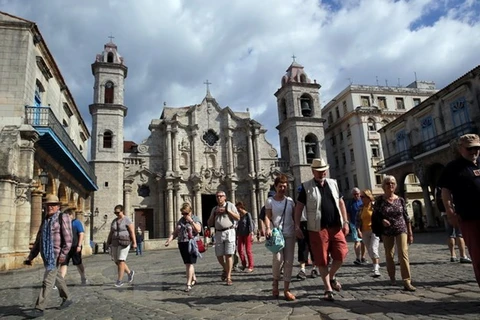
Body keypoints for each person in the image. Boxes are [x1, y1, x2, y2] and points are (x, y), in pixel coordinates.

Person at [294, 158, 349, 302]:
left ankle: (331, 276)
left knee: (341, 254)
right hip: (317, 229)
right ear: (313, 171)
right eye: (318, 171)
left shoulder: (334, 183)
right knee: (322, 260)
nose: (321, 173)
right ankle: (328, 289)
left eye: (323, 170)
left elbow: (341, 202)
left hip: (336, 227)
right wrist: (297, 226)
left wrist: (346, 222)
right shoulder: (306, 187)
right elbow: (299, 207)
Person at [438, 133, 480, 287]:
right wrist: (450, 212)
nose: (474, 151)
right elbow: (445, 191)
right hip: (470, 217)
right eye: (470, 149)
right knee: (477, 255)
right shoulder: (453, 167)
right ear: (461, 149)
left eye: (477, 148)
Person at [24, 194, 74, 318]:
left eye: (53, 205)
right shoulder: (45, 220)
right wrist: (31, 256)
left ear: (58, 206)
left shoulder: (63, 217)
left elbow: (68, 239)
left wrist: (63, 254)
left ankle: (39, 308)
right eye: (48, 205)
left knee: (47, 281)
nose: (50, 207)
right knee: (57, 277)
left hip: (55, 255)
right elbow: (38, 240)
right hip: (46, 255)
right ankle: (67, 298)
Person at [372, 175, 415, 291]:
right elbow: (375, 216)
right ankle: (392, 278)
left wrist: (410, 233)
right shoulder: (379, 200)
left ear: (395, 186)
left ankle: (407, 281)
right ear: (383, 186)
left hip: (401, 229)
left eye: (392, 183)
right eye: (387, 183)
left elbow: (406, 217)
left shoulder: (400, 200)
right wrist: (382, 221)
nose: (390, 185)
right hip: (387, 231)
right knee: (389, 255)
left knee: (403, 253)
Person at [265, 174, 296, 301]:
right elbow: (267, 216)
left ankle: (286, 289)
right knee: (278, 259)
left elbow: (294, 216)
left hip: (289, 234)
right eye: (280, 186)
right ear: (275, 187)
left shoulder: (290, 201)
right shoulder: (270, 201)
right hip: (277, 235)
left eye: (284, 186)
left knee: (288, 262)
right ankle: (275, 282)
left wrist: (298, 228)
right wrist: (267, 228)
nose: (282, 189)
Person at [165, 202, 202, 292]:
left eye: (186, 213)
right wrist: (169, 240)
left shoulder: (195, 219)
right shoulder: (180, 221)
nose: (184, 215)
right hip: (182, 243)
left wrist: (191, 221)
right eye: (183, 213)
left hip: (192, 243)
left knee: (189, 263)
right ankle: (194, 278)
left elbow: (198, 230)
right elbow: (175, 232)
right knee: (187, 263)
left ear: (190, 212)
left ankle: (188, 284)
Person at [207, 190, 240, 286]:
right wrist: (214, 215)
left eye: (221, 196)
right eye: (217, 196)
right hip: (218, 233)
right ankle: (226, 269)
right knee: (219, 255)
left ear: (225, 197)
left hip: (229, 232)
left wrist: (227, 211)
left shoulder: (230, 205)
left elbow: (238, 217)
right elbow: (209, 223)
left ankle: (229, 276)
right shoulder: (214, 209)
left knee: (229, 254)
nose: (219, 198)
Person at [435, 187, 471, 263]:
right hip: (455, 211)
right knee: (459, 233)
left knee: (450, 234)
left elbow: (437, 201)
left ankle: (453, 255)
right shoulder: (452, 183)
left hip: (444, 212)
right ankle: (463, 255)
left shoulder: (438, 187)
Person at [106, 204, 137, 287]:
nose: (116, 214)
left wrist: (134, 242)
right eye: (115, 212)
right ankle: (130, 273)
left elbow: (132, 232)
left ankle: (119, 281)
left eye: (118, 212)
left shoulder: (127, 220)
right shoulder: (114, 221)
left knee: (121, 260)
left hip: (124, 242)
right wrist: (108, 242)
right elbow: (111, 232)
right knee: (116, 261)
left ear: (122, 211)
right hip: (115, 242)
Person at [59, 207, 88, 285]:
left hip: (75, 246)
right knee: (64, 263)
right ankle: (61, 281)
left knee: (78, 263)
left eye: (67, 215)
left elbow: (81, 234)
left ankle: (83, 277)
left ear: (71, 215)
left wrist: (79, 245)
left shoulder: (76, 222)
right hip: (65, 247)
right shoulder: (63, 223)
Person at [356, 189, 381, 277]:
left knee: (373, 248)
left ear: (368, 197)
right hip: (364, 231)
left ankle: (376, 269)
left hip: (374, 230)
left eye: (363, 197)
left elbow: (380, 216)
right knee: (370, 250)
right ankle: (376, 263)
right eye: (361, 197)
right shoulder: (361, 207)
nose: (361, 198)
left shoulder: (374, 206)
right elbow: (358, 220)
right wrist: (358, 230)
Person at [296, 185, 317, 280]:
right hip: (302, 224)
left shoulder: (312, 201)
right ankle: (302, 269)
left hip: (312, 224)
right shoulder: (297, 203)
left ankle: (314, 268)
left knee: (313, 247)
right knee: (302, 247)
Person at [347, 187, 366, 265]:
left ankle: (363, 257)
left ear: (360, 193)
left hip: (363, 224)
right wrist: (348, 223)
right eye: (354, 194)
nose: (356, 195)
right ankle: (358, 258)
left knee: (363, 241)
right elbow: (348, 213)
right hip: (354, 224)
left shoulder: (363, 201)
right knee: (357, 241)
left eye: (357, 194)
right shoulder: (350, 203)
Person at [235, 201, 255, 272]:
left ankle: (251, 266)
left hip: (247, 234)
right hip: (240, 234)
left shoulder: (247, 214)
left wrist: (252, 233)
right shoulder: (239, 216)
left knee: (248, 251)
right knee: (240, 250)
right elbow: (238, 227)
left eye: (238, 208)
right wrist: (236, 235)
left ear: (241, 207)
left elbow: (251, 224)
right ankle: (244, 264)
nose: (237, 210)